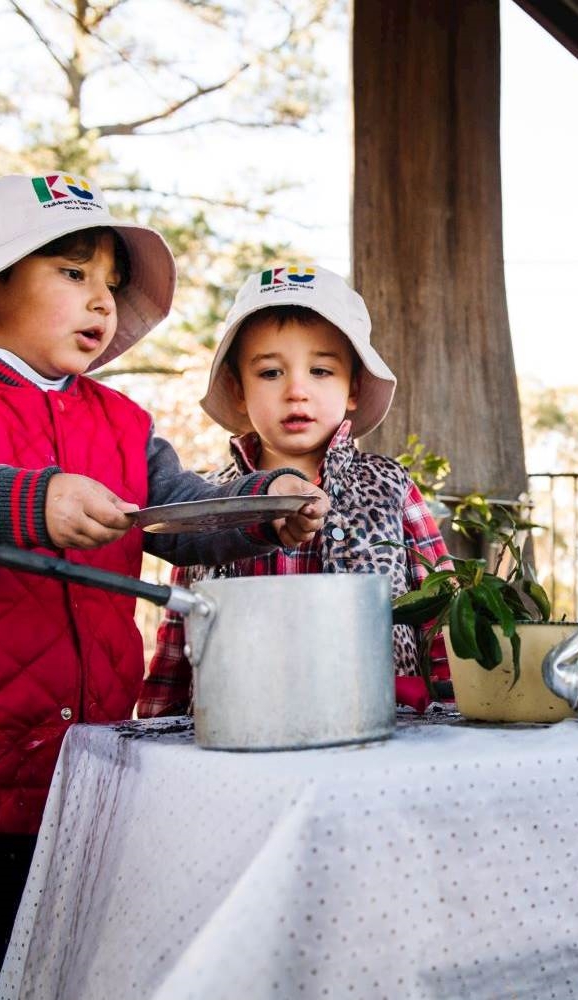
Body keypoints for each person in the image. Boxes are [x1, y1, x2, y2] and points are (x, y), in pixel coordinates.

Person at [0, 172, 328, 1000]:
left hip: (76, 771)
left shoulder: (119, 421)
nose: (102, 302)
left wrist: (263, 506)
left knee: (58, 978)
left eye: (112, 285)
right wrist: (23, 498)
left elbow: (176, 512)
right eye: (73, 274)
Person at [137, 263, 450, 717]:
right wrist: (155, 726)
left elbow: (440, 610)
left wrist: (456, 715)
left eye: (321, 370)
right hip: (239, 730)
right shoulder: (210, 500)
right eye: (269, 373)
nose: (296, 390)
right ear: (237, 389)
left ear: (354, 387)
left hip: (378, 730)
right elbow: (180, 625)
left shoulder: (390, 488)